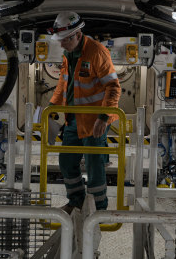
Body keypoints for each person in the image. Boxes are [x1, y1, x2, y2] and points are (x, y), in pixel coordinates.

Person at [48, 11, 121, 213]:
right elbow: (63, 84)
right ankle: (76, 201)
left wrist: (103, 118)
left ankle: (98, 209)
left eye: (64, 40)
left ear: (77, 35)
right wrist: (51, 108)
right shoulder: (69, 54)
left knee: (94, 166)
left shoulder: (97, 53)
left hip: (93, 121)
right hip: (72, 120)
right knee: (66, 162)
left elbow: (113, 87)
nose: (61, 44)